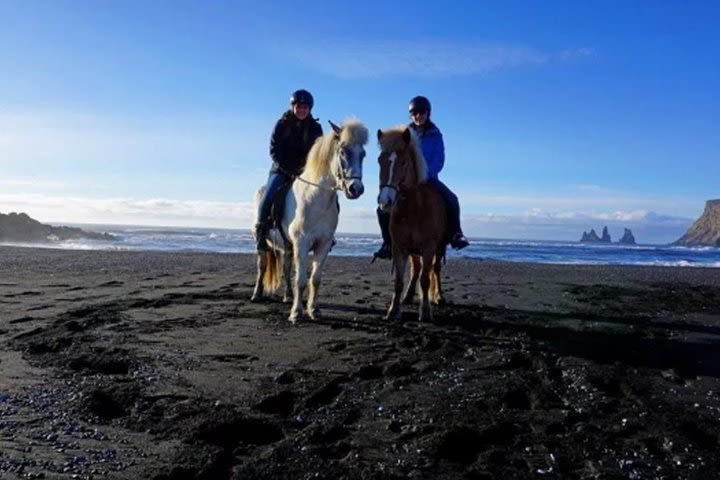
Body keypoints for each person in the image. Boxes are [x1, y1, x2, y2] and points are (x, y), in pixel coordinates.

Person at [374, 95, 469, 259]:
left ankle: (456, 234)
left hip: (429, 179)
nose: (418, 116)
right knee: (382, 207)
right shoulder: (404, 135)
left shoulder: (435, 135)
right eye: (414, 113)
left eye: (422, 112)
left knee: (452, 199)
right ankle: (388, 243)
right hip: (407, 180)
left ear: (428, 113)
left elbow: (439, 158)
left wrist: (425, 174)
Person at [254, 89, 323, 251]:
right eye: (299, 106)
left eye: (305, 107)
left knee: (327, 196)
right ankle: (261, 232)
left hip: (306, 173)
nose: (302, 110)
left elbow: (319, 152)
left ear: (310, 109)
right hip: (281, 170)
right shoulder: (282, 124)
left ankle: (327, 234)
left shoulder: (315, 128)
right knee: (268, 196)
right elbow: (274, 150)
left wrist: (308, 170)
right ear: (293, 107)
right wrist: (288, 169)